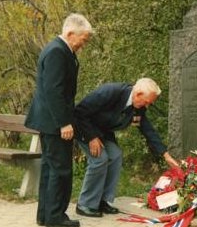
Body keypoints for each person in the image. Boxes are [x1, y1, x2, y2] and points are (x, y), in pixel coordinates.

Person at [25, 13, 93, 227]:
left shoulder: (60, 49)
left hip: (49, 120)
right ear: (71, 33)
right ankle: (56, 216)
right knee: (60, 169)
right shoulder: (57, 51)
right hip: (55, 122)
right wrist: (64, 123)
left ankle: (45, 214)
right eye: (83, 39)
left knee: (50, 168)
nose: (84, 43)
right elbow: (54, 91)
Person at [74, 78, 179, 217]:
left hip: (103, 133)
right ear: (138, 94)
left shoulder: (138, 107)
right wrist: (91, 137)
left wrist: (166, 155)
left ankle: (103, 201)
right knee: (100, 158)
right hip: (85, 129)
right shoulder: (111, 92)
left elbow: (148, 130)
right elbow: (79, 112)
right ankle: (85, 204)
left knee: (116, 155)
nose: (147, 106)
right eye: (147, 102)